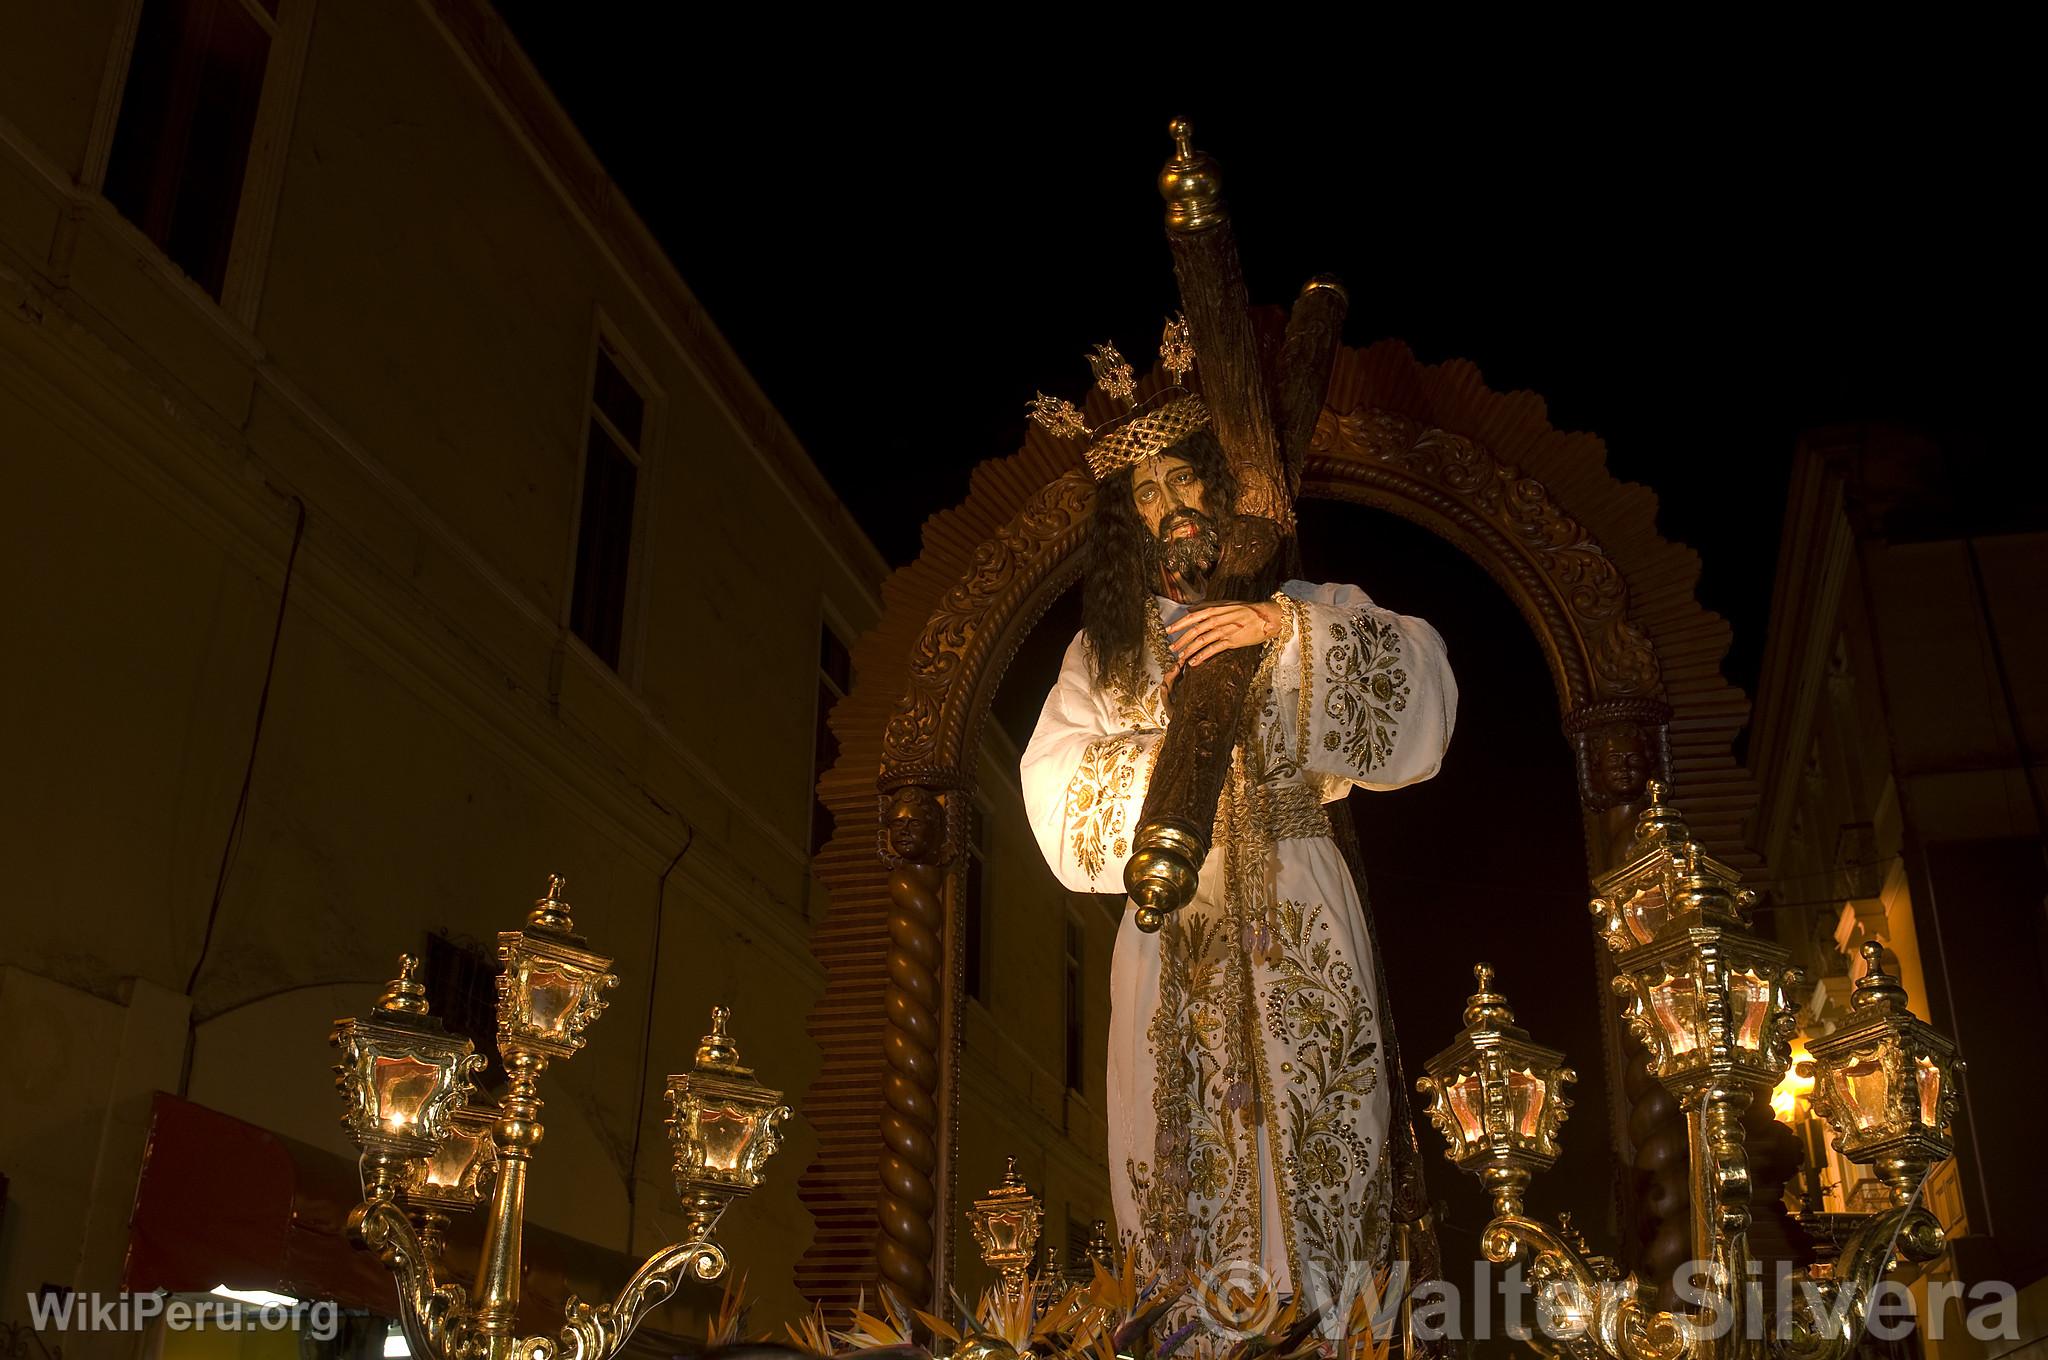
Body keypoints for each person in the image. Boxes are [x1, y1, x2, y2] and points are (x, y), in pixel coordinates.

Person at [1020, 360, 1457, 1302]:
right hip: (1174, 924)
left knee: (1326, 1125)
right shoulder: (1106, 653)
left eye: (1182, 477)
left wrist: (1279, 632)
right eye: (1144, 493)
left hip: (1299, 892)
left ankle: (1334, 1328)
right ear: (1127, 523)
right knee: (1178, 1147)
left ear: (1221, 485)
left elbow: (1421, 698)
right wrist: (1178, 754)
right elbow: (1053, 791)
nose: (1169, 506)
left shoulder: (1308, 603)